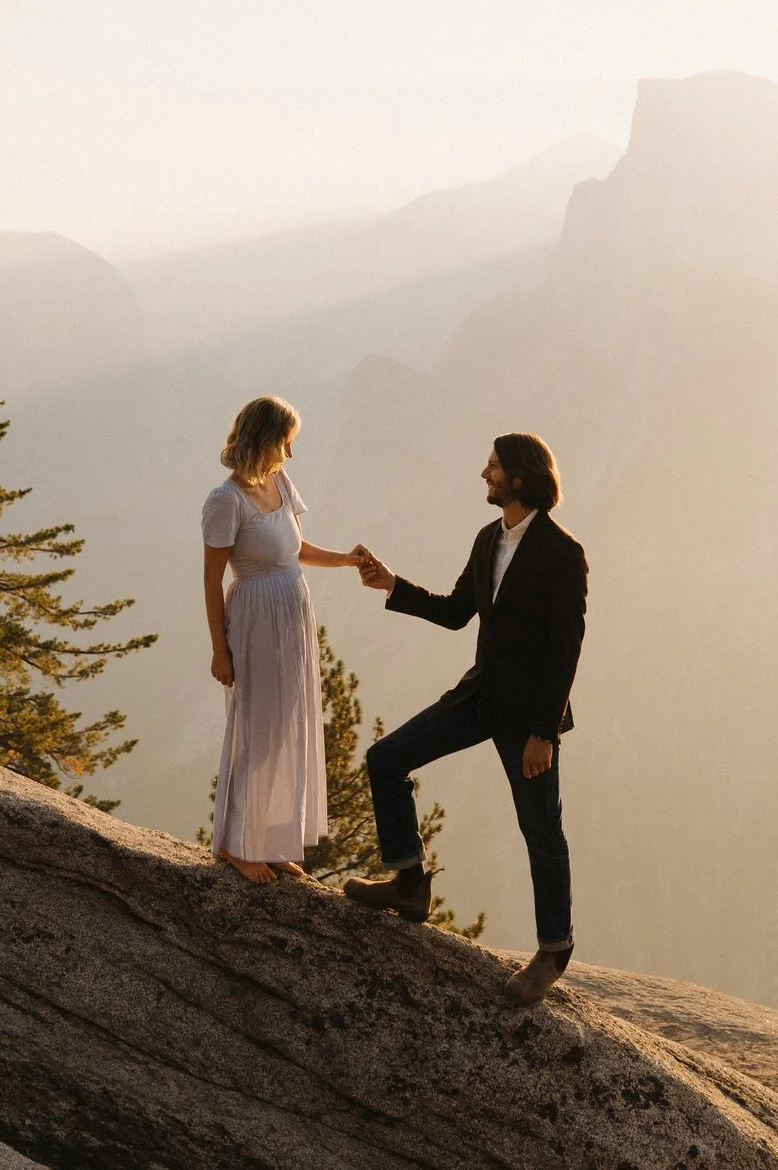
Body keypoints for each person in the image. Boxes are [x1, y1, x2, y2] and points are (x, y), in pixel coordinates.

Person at [345, 432, 587, 1007]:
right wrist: (393, 585)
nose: (484, 474)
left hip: (529, 717)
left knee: (541, 830)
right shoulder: (488, 539)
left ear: (520, 478)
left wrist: (544, 733)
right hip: (479, 698)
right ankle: (409, 884)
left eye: (494, 467)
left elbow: (566, 649)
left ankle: (554, 951)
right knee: (386, 759)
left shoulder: (562, 552)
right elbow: (457, 612)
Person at [201, 396, 370, 885]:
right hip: (254, 619)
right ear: (264, 440)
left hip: (292, 616)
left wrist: (347, 559)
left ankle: (269, 842)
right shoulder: (225, 500)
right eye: (285, 443)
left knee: (284, 729)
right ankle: (235, 844)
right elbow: (211, 580)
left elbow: (295, 549)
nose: (290, 454)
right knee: (257, 729)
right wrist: (220, 651)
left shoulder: (279, 481)